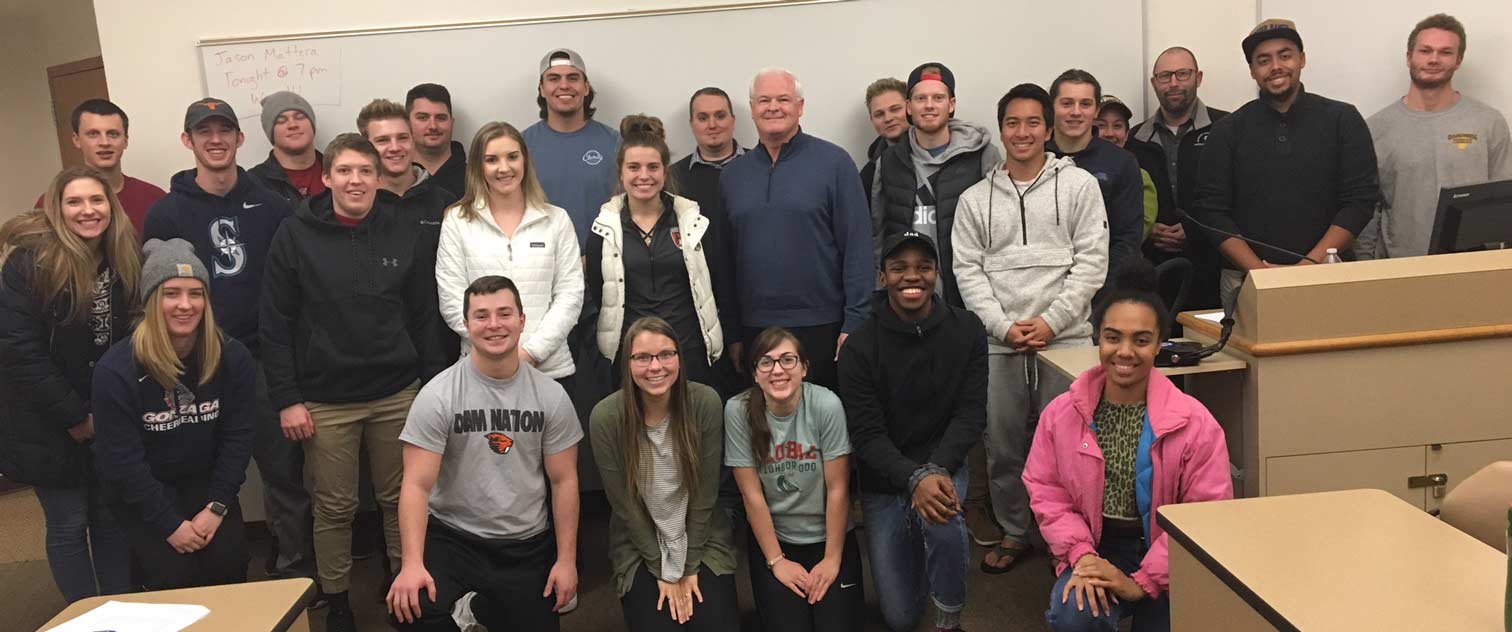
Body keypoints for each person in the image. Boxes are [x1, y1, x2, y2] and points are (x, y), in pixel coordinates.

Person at [260, 134, 448, 632]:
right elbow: (274, 323)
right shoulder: (295, 234)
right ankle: (338, 601)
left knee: (400, 497)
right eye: (344, 171)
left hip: (397, 391)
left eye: (365, 171)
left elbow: (425, 315)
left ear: (379, 176)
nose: (356, 181)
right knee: (335, 507)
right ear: (326, 177)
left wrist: (430, 389)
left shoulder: (401, 228)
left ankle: (402, 584)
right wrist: (287, 400)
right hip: (325, 399)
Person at [141, 98, 312, 586]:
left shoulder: (274, 206)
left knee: (282, 473)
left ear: (240, 139)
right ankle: (208, 568)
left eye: (225, 130)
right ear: (187, 140)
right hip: (193, 364)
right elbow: (158, 300)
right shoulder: (166, 214)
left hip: (259, 360)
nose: (215, 139)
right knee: (198, 467)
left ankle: (292, 571)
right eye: (203, 131)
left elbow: (290, 290)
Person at [1025, 261, 1234, 632]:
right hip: (1097, 544)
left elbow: (1207, 513)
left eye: (1140, 340)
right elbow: (1046, 490)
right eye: (1112, 337)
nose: (1124, 352)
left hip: (1171, 552)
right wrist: (1082, 556)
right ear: (1097, 339)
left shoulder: (1195, 422)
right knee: (1074, 615)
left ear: (1158, 345)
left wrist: (1143, 582)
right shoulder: (1062, 413)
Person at [953, 83, 1109, 575]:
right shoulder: (975, 199)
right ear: (1001, 130)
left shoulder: (1079, 186)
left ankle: (1076, 540)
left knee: (1075, 447)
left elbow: (1092, 262)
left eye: (1032, 122)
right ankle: (1016, 531)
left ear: (1049, 128)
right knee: (1002, 449)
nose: (1023, 132)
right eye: (1013, 123)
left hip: (1067, 341)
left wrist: (1050, 322)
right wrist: (1001, 327)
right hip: (1000, 345)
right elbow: (967, 271)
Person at [387, 276, 582, 631]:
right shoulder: (438, 395)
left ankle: (481, 608)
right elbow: (416, 485)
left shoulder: (551, 396)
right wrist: (411, 563)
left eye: (504, 314)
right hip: (454, 538)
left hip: (525, 544)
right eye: (481, 316)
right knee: (410, 607)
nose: (494, 325)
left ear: (523, 321)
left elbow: (564, 479)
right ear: (466, 324)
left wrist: (566, 560)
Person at [0, 167, 140, 602]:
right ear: (57, 209)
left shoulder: (122, 256)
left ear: (110, 207)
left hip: (108, 415)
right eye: (74, 202)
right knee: (68, 523)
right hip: (47, 420)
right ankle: (84, 617)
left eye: (96, 200)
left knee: (110, 519)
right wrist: (76, 416)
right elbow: (20, 351)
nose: (88, 211)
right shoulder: (31, 263)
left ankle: (120, 609)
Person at [837, 231, 986, 632]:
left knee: (942, 514)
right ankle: (921, 550)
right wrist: (911, 477)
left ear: (937, 273)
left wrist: (933, 472)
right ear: (883, 277)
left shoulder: (968, 330)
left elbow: (971, 415)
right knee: (900, 619)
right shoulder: (859, 347)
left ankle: (949, 621)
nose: (911, 277)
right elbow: (865, 434)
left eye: (923, 267)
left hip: (944, 465)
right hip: (885, 480)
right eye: (899, 268)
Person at [90, 238, 256, 590]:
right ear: (151, 300)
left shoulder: (233, 357)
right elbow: (123, 462)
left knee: (230, 567)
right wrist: (169, 525)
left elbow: (238, 438)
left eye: (195, 293)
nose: (185, 305)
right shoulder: (116, 370)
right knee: (174, 577)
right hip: (144, 491)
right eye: (171, 294)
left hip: (205, 482)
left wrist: (217, 507)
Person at [1194, 19, 1379, 308]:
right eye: (1263, 60)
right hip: (1246, 281)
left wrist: (1308, 266)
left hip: (1328, 274)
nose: (1276, 66)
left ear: (1302, 59)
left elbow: (1360, 201)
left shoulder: (1343, 120)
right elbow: (1211, 211)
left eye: (1285, 55)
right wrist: (1260, 274)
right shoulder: (1227, 130)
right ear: (1253, 70)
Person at [722, 67, 872, 391]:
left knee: (824, 424)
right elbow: (726, 260)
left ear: (800, 107)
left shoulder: (835, 163)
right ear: (752, 109)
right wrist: (732, 332)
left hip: (824, 325)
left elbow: (858, 247)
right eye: (764, 100)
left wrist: (856, 320)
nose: (773, 107)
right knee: (765, 428)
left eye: (783, 99)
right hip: (755, 326)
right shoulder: (732, 175)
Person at [591, 317, 739, 631]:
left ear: (679, 359)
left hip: (702, 535)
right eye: (642, 357)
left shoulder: (705, 403)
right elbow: (626, 508)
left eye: (666, 355)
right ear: (627, 363)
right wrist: (663, 572)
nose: (655, 366)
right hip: (639, 541)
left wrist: (688, 567)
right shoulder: (606, 417)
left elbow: (705, 496)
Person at [585, 115, 738, 389]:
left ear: (664, 172)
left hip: (689, 351)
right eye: (634, 167)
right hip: (631, 355)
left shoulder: (694, 222)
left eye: (653, 167)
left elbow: (715, 283)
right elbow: (601, 291)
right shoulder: (603, 229)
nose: (644, 175)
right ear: (621, 172)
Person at [726, 327, 863, 632]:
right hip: (777, 539)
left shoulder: (826, 404)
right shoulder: (738, 411)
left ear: (804, 368)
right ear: (755, 374)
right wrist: (777, 561)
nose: (778, 370)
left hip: (828, 536)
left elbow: (839, 489)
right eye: (766, 362)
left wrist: (831, 559)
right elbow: (752, 497)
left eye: (788, 360)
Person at [436, 122, 584, 387]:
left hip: (548, 371)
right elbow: (451, 299)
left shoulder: (556, 219)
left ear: (525, 160)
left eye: (512, 157)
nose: (504, 168)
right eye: (491, 159)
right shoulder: (457, 221)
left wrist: (530, 353)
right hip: (480, 372)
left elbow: (570, 295)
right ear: (478, 167)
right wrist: (498, 354)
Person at [1358, 13, 1512, 259]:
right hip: (1400, 269)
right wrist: (1363, 267)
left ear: (1458, 60)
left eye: (1445, 52)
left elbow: (1504, 202)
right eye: (1425, 51)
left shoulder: (1488, 122)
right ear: (1409, 57)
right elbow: (1367, 210)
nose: (1434, 59)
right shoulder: (1375, 128)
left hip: (1474, 269)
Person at [872, 62, 1001, 306]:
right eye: (920, 98)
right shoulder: (888, 161)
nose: (929, 105)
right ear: (909, 107)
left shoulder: (983, 155)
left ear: (951, 104)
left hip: (970, 293)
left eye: (938, 98)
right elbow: (877, 233)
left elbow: (1001, 227)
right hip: (908, 296)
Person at [1129, 47, 1231, 311]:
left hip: (1216, 268)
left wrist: (1196, 229)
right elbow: (1125, 202)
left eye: (1182, 74)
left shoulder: (1228, 129)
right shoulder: (1134, 139)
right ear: (1154, 83)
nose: (1173, 83)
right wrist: (1148, 229)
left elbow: (1243, 196)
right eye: (1165, 76)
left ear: (1198, 78)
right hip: (1153, 275)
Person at [669, 88, 746, 397]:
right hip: (695, 314)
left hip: (751, 305)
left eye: (719, 115)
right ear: (692, 124)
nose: (712, 124)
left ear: (733, 120)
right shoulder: (673, 179)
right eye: (703, 117)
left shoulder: (759, 167)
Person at [1046, 70, 1143, 288]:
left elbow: (1127, 240)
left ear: (1096, 111)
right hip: (1043, 290)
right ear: (1052, 107)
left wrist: (1093, 289)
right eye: (1067, 103)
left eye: (1085, 104)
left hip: (1102, 290)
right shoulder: (1036, 158)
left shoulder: (1122, 162)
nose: (1076, 112)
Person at [522, 48, 622, 244]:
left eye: (573, 78)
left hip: (604, 260)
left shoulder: (616, 143)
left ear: (586, 87)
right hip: (541, 262)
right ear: (542, 89)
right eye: (553, 78)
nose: (564, 85)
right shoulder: (520, 146)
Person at [33, 99, 165, 233]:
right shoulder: (52, 203)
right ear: (77, 140)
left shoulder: (154, 198)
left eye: (113, 134)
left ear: (125, 141)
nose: (104, 142)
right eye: (93, 134)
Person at [1095, 96, 1161, 240]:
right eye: (1101, 125)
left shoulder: (1139, 176)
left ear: (1126, 135)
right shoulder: (1074, 170)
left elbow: (1138, 230)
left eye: (1117, 126)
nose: (1109, 133)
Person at [249, 91, 325, 203]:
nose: (293, 125)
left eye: (300, 117)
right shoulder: (253, 182)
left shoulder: (339, 171)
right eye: (281, 121)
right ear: (270, 133)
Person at [407, 83, 468, 201]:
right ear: (407, 123)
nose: (433, 126)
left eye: (441, 118)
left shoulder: (476, 181)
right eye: (423, 117)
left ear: (452, 123)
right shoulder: (392, 179)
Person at [860, 78, 909, 208]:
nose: (888, 118)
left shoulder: (938, 153)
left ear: (910, 108)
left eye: (895, 109)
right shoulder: (869, 174)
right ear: (872, 120)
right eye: (879, 114)